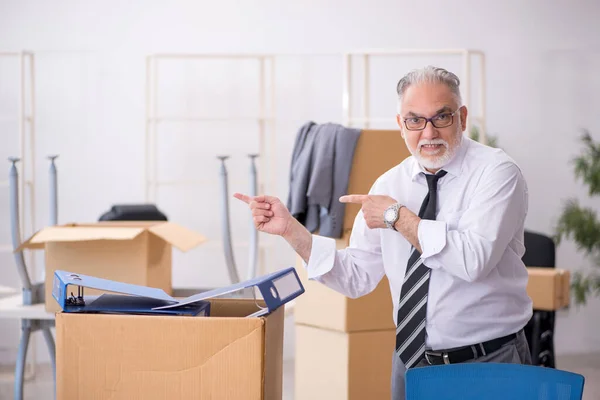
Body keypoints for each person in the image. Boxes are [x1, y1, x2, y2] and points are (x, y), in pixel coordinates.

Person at [234, 66, 533, 400]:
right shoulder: (390, 183)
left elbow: (473, 261)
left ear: (462, 117)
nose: (428, 131)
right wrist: (292, 231)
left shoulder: (497, 173)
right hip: (409, 361)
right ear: (400, 125)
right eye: (415, 120)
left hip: (486, 362)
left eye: (442, 117)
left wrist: (397, 217)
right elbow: (356, 276)